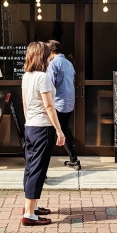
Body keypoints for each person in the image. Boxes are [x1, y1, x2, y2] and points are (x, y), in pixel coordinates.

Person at [21, 41, 65, 226]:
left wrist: (28, 121)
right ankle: (29, 215)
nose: (49, 57)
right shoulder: (43, 77)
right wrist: (59, 130)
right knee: (38, 171)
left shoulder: (27, 76)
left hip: (30, 126)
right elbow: (49, 106)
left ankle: (30, 206)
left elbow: (24, 103)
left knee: (30, 168)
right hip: (42, 128)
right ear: (42, 56)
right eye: (47, 54)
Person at [46, 40, 80, 169]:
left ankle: (42, 166)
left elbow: (49, 85)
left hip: (58, 103)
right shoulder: (68, 63)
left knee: (51, 133)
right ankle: (73, 159)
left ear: (51, 51)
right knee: (63, 130)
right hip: (69, 102)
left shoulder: (53, 64)